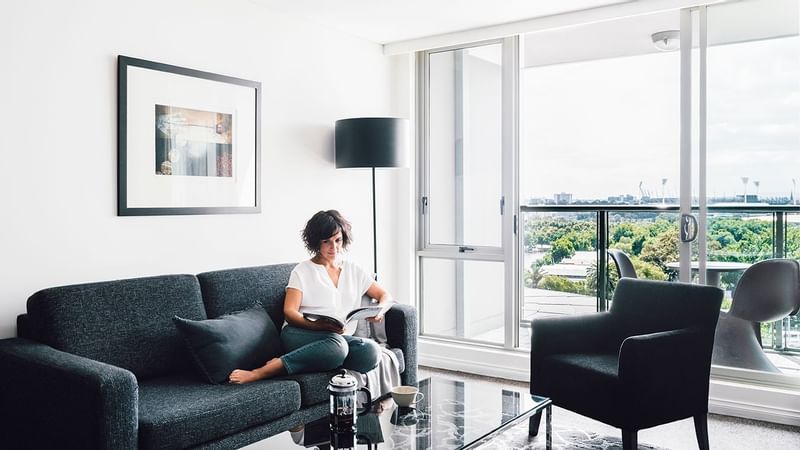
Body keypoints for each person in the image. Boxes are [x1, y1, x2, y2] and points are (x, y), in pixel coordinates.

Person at [229, 210, 392, 384]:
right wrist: (316, 325)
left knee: (371, 352)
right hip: (300, 333)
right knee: (337, 349)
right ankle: (266, 370)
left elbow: (385, 295)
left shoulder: (353, 269)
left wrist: (380, 310)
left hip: (337, 339)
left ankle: (316, 360)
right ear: (316, 242)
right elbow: (289, 312)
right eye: (326, 242)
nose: (334, 247)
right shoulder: (302, 271)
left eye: (338, 240)